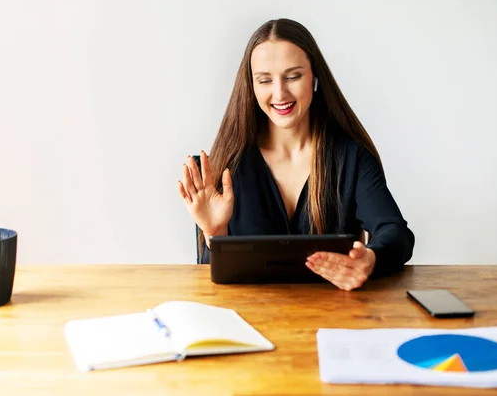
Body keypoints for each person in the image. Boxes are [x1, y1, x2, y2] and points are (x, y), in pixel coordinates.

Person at [177, 18, 414, 291]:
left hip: (334, 320)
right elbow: (213, 290)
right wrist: (215, 234)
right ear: (251, 87)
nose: (279, 93)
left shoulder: (352, 158)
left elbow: (396, 233)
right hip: (250, 323)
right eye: (264, 80)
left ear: (315, 78)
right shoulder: (225, 166)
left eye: (293, 76)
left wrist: (370, 260)